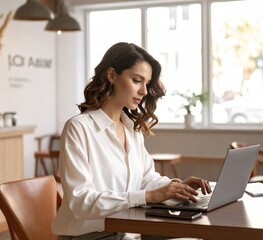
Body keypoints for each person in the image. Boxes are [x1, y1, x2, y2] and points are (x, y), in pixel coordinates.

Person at [52, 42, 212, 240]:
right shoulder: (78, 128)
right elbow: (81, 201)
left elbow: (146, 178)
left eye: (147, 83)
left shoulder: (132, 131)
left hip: (122, 233)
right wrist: (148, 196)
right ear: (112, 75)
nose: (144, 91)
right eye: (137, 80)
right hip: (88, 236)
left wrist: (176, 188)